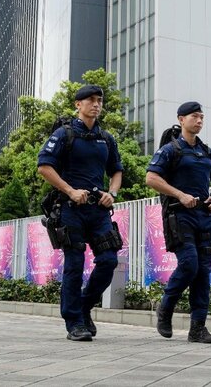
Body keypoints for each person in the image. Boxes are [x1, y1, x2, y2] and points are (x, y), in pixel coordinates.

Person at [36, 84, 123, 341]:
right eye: (90, 100)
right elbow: (44, 166)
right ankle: (74, 322)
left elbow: (116, 170)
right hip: (70, 208)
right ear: (78, 104)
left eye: (99, 100)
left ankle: (85, 306)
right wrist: (71, 190)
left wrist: (113, 193)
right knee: (74, 265)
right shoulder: (64, 135)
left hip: (98, 211)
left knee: (108, 260)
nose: (96, 104)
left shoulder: (107, 138)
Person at [145, 101, 211, 344]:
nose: (200, 121)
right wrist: (179, 194)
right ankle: (166, 306)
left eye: (202, 117)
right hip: (179, 215)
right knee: (190, 264)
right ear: (181, 119)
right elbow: (151, 178)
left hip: (205, 217)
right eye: (195, 116)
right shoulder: (171, 150)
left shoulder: (208, 153)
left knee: (203, 272)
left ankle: (198, 328)